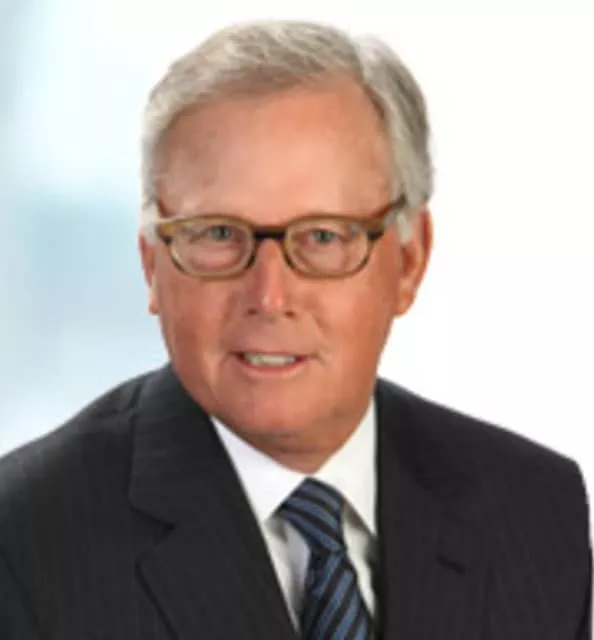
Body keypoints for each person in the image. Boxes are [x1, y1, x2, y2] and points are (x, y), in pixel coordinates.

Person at [0, 19, 591, 640]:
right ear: (152, 264)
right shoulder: (25, 544)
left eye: (323, 237)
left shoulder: (532, 511)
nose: (269, 296)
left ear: (410, 261)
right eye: (219, 234)